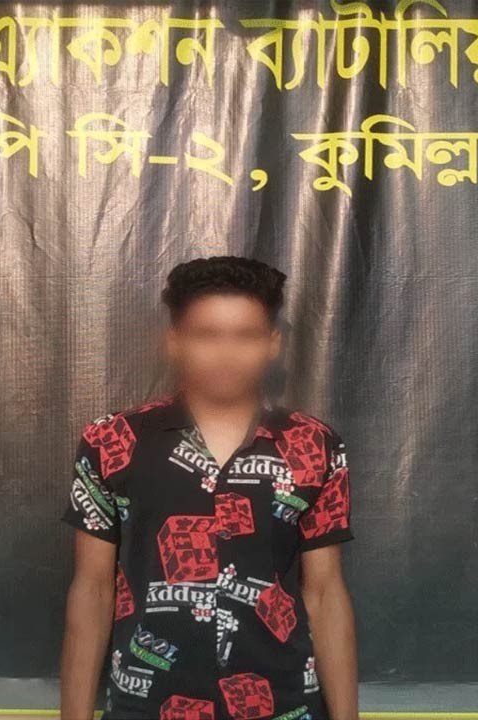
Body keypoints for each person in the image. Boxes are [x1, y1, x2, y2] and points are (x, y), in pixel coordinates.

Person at [60, 257, 359, 720]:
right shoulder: (113, 442)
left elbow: (324, 592)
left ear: (273, 343)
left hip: (283, 705)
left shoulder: (314, 445)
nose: (226, 354)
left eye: (246, 335)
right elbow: (93, 590)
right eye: (206, 335)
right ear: (175, 341)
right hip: (148, 706)